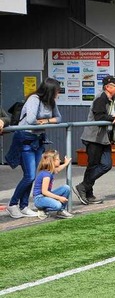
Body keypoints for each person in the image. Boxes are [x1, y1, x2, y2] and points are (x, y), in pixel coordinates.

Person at [5, 78, 62, 219]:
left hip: (38, 140)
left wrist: (46, 121)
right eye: (57, 91)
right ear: (50, 90)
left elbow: (59, 118)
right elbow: (30, 120)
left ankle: (24, 206)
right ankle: (12, 204)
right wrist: (44, 121)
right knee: (29, 175)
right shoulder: (34, 99)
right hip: (25, 138)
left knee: (32, 175)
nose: (59, 93)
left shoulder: (51, 102)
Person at [74, 75, 115, 205]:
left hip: (105, 138)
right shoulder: (100, 98)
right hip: (94, 138)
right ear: (108, 87)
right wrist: (114, 118)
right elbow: (99, 117)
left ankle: (84, 187)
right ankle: (87, 192)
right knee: (93, 165)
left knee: (106, 165)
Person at [32, 150, 73, 219]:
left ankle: (60, 211)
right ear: (52, 161)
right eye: (57, 159)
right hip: (39, 198)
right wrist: (59, 198)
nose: (60, 160)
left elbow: (58, 169)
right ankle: (43, 209)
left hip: (45, 196)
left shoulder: (50, 171)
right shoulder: (46, 175)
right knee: (58, 205)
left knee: (66, 188)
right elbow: (44, 191)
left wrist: (66, 164)